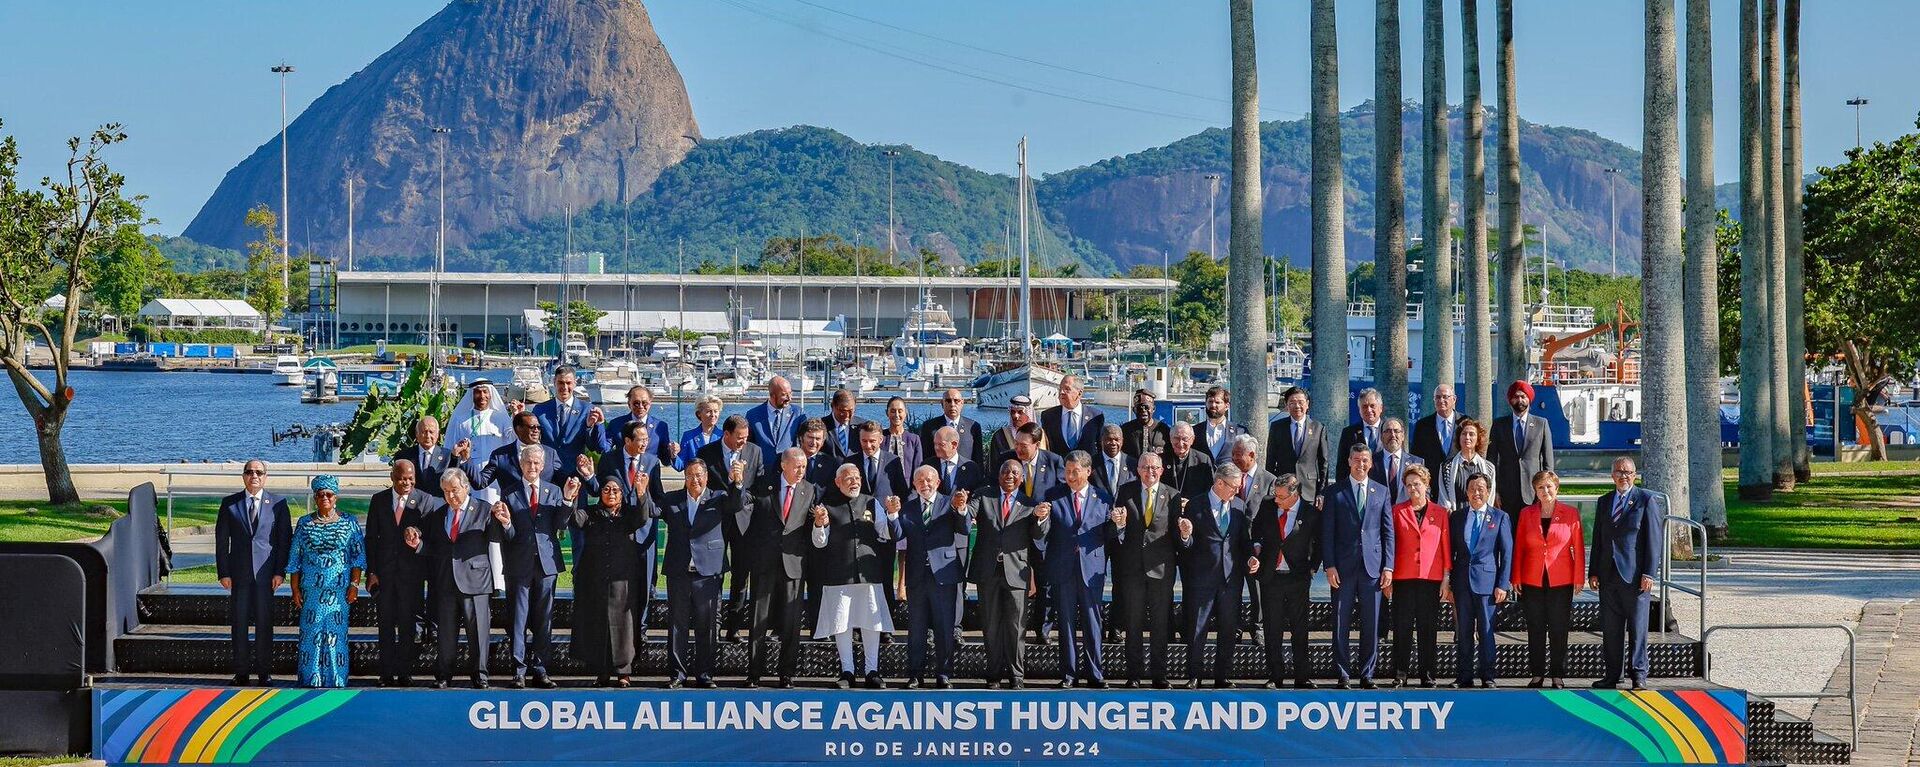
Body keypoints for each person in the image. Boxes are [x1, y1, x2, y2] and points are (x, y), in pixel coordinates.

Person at [812, 464, 903, 688]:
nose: (854, 481)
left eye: (856, 477)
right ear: (838, 482)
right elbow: (819, 542)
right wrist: (819, 524)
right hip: (838, 575)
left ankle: (872, 670)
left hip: (868, 574)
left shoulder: (872, 502)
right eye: (848, 478)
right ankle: (847, 671)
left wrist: (892, 514)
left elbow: (886, 533)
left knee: (871, 622)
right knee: (841, 623)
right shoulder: (827, 506)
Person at [417, 468, 509, 688]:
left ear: (466, 487)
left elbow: (497, 537)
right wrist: (418, 545)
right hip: (446, 582)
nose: (451, 496)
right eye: (447, 492)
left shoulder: (484, 510)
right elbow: (434, 547)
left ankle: (480, 675)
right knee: (446, 634)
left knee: (478, 633)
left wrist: (503, 521)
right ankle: (444, 675)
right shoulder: (439, 514)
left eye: (455, 490)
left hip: (476, 581)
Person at [737, 449, 819, 688]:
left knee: (792, 623)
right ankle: (754, 673)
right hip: (765, 562)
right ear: (784, 465)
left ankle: (786, 673)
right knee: (758, 619)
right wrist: (738, 483)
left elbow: (810, 527)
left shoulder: (809, 490)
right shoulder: (763, 485)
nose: (801, 471)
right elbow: (744, 508)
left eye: (804, 467)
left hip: (794, 564)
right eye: (797, 466)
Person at [965, 460, 1049, 689]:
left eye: (1014, 472)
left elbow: (1038, 536)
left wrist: (1041, 518)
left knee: (1016, 627)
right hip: (988, 572)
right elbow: (965, 517)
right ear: (998, 474)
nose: (1009, 475)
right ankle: (993, 675)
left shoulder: (1030, 504)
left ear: (1021, 478)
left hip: (1017, 573)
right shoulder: (984, 496)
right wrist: (961, 507)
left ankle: (1016, 676)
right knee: (990, 626)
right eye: (1005, 470)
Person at [1041, 451, 1122, 688]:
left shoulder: (1104, 498)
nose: (1070, 476)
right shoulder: (1053, 496)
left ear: (1088, 471)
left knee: (1092, 623)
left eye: (1076, 471)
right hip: (1062, 567)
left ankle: (1095, 674)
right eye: (1067, 471)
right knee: (1065, 623)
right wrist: (1040, 520)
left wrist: (1119, 525)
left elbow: (1108, 536)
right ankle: (1069, 674)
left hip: (1091, 568)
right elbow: (1043, 533)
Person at [499, 446, 576, 689]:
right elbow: (508, 535)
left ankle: (541, 669)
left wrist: (567, 499)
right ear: (521, 465)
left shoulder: (554, 491)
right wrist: (506, 523)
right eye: (528, 463)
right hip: (519, 564)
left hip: (546, 563)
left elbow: (561, 523)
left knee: (544, 619)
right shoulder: (509, 493)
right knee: (518, 619)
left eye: (536, 464)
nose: (532, 467)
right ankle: (519, 670)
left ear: (542, 466)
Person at [1323, 444, 1394, 688]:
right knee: (1341, 622)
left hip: (1372, 568)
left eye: (1365, 460)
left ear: (1371, 463)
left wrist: (1388, 567)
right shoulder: (1334, 492)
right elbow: (1327, 532)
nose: (1360, 464)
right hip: (1342, 568)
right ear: (1349, 462)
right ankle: (1343, 673)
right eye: (1356, 459)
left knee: (1371, 622)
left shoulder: (1381, 491)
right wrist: (1329, 565)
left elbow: (1388, 532)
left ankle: (1367, 673)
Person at [589, 419, 665, 648]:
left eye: (646, 439)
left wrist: (650, 509)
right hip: (617, 536)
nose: (645, 443)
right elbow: (598, 491)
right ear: (627, 440)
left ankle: (640, 630)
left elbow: (658, 497)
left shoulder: (652, 462)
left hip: (644, 534)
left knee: (644, 585)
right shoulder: (610, 459)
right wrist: (588, 476)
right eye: (640, 439)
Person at [660, 461, 736, 689]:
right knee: (677, 625)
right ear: (684, 477)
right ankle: (678, 674)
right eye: (690, 475)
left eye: (700, 475)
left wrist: (737, 483)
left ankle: (705, 673)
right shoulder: (672, 499)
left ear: (706, 477)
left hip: (708, 572)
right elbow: (652, 511)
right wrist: (642, 493)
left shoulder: (719, 497)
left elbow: (737, 503)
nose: (695, 480)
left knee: (708, 625)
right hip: (679, 571)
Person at [215, 459, 291, 687]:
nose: (254, 476)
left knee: (264, 623)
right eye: (249, 472)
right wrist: (223, 573)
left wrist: (280, 572)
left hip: (267, 577)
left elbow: (283, 541)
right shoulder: (230, 504)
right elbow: (221, 543)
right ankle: (241, 672)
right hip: (238, 576)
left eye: (259, 472)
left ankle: (264, 671)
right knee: (238, 624)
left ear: (265, 476)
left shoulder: (278, 503)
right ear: (243, 476)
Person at [1178, 464, 1254, 688]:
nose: (1236, 491)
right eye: (1233, 487)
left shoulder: (1239, 506)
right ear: (1219, 483)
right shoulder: (1196, 504)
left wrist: (1251, 557)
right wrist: (1185, 535)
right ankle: (1194, 675)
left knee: (1229, 629)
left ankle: (1223, 676)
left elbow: (1244, 541)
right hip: (1202, 579)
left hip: (1231, 579)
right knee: (1197, 629)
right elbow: (1188, 545)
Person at [286, 475, 364, 689]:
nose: (325, 498)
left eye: (329, 494)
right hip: (311, 590)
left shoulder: (349, 522)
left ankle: (336, 679)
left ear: (336, 497)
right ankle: (311, 679)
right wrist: (294, 588)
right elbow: (295, 557)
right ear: (315, 497)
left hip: (339, 591)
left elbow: (357, 557)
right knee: (311, 635)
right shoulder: (304, 523)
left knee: (335, 636)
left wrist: (354, 585)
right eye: (320, 495)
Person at [1590, 457, 1661, 690]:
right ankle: (1613, 675)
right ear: (1612, 475)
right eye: (1619, 472)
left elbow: (1653, 540)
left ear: (1635, 475)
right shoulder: (1604, 501)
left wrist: (1649, 573)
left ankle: (1638, 674)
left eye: (1628, 472)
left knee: (1637, 628)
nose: (1624, 476)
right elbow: (1599, 539)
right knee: (1611, 629)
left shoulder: (1646, 500)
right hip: (1608, 574)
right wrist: (1593, 571)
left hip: (1635, 576)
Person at [1111, 452, 1179, 688]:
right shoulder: (1125, 491)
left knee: (1160, 625)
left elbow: (1176, 536)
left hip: (1161, 570)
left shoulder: (1172, 495)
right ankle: (1134, 675)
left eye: (1155, 468)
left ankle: (1159, 675)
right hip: (1133, 570)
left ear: (1162, 470)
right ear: (1137, 469)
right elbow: (1116, 532)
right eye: (1145, 467)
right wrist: (1119, 525)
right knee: (1133, 624)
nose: (1150, 471)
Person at [573, 479, 650, 687]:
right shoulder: (590, 513)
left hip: (622, 580)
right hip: (595, 581)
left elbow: (643, 518)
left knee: (624, 626)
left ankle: (623, 672)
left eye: (616, 490)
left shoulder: (628, 514)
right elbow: (574, 520)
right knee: (598, 625)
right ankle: (602, 672)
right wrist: (571, 496)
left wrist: (642, 494)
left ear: (622, 494)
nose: (611, 493)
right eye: (606, 489)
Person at [898, 465, 969, 688]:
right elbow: (897, 534)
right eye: (920, 481)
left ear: (937, 482)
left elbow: (964, 529)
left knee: (944, 627)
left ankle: (944, 673)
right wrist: (892, 515)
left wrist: (962, 509)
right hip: (917, 576)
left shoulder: (950, 502)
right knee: (916, 628)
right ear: (914, 484)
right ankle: (915, 674)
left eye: (929, 480)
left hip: (944, 573)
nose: (925, 484)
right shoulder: (907, 508)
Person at [1514, 470, 1584, 689]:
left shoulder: (1571, 513)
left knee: (1558, 627)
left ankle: (1557, 674)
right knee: (1535, 627)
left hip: (1560, 579)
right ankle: (1536, 674)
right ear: (1535, 491)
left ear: (1557, 488)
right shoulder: (1526, 513)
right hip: (1531, 578)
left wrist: (1578, 577)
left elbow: (1578, 548)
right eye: (1540, 488)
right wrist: (1515, 575)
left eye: (1549, 487)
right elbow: (1519, 548)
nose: (1545, 491)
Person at [365, 460, 431, 686]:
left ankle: (404, 672)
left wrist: (418, 538)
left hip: (411, 577)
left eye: (411, 479)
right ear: (393, 477)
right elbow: (371, 538)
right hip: (384, 575)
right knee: (385, 625)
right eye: (403, 478)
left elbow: (429, 533)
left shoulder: (423, 500)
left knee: (407, 626)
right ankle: (386, 673)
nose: (407, 482)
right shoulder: (379, 500)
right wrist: (371, 572)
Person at [1251, 473, 1319, 688]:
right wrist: (1257, 549)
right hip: (1271, 577)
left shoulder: (1310, 513)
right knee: (1273, 629)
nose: (1277, 500)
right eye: (1275, 495)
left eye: (1281, 497)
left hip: (1297, 578)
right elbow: (1256, 531)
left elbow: (1319, 543)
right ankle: (1275, 676)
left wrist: (1312, 569)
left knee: (1300, 629)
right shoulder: (1268, 505)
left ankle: (1302, 676)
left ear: (1294, 494)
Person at [1447, 472, 1512, 688]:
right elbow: (1450, 552)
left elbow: (1506, 553)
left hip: (1488, 584)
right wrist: (1448, 581)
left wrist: (1503, 584)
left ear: (1488, 491)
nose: (1476, 492)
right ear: (1466, 492)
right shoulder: (1456, 517)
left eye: (1481, 488)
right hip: (1462, 583)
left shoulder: (1500, 517)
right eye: (1472, 488)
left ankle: (1488, 676)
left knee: (1486, 632)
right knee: (1463, 632)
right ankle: (1464, 676)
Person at [1387, 465, 1449, 688]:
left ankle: (1428, 674)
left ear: (1427, 485)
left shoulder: (1440, 513)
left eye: (1417, 484)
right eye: (1409, 484)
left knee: (1428, 628)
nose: (1413, 488)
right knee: (1402, 628)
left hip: (1430, 579)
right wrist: (1389, 575)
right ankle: (1400, 673)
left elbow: (1445, 547)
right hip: (1403, 578)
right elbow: (1390, 545)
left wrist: (1446, 579)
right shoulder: (1396, 511)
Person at [1226, 435, 1273, 645]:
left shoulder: (1269, 480)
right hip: (1233, 542)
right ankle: (1235, 627)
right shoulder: (1228, 476)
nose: (1234, 458)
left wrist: (1262, 543)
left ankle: (1258, 628)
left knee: (1258, 590)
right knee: (1233, 587)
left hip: (1257, 544)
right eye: (1233, 454)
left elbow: (1271, 516)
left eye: (1238, 454)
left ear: (1252, 455)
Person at [1489, 381, 1555, 522]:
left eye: (1523, 397)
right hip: (1506, 492)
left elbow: (1548, 463)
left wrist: (1545, 490)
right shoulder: (1499, 425)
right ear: (1510, 400)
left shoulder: (1541, 424)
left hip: (1533, 492)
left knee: (1532, 533)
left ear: (1529, 399)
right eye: (1516, 397)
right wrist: (1494, 491)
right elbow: (1491, 461)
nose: (1520, 400)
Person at [532, 366, 605, 472]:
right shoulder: (540, 410)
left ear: (575, 383)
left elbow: (596, 447)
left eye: (568, 383)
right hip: (547, 473)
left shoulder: (587, 409)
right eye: (561, 382)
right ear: (554, 382)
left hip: (574, 473)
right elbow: (531, 439)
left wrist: (592, 426)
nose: (565, 387)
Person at [1266, 386, 1329, 504]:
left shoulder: (1318, 428)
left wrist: (1322, 492)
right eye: (1292, 402)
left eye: (1300, 402)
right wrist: (1272, 486)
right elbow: (1270, 459)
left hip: (1309, 489)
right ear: (1287, 405)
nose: (1297, 406)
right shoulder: (1277, 427)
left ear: (1307, 404)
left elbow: (1324, 463)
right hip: (1283, 489)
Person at [601, 385, 676, 466]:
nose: (641, 406)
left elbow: (666, 461)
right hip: (623, 474)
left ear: (650, 403)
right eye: (636, 403)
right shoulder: (616, 424)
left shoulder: (661, 426)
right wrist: (599, 424)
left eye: (644, 403)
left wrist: (673, 453)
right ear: (629, 404)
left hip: (650, 475)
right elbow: (605, 449)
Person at [1437, 418, 1496, 512]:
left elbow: (1490, 495)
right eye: (1464, 434)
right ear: (1459, 438)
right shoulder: (1446, 467)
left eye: (1471, 434)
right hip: (1455, 519)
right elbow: (1443, 498)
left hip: (1481, 518)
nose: (1467, 437)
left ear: (1478, 440)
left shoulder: (1489, 468)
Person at [919, 388, 985, 467]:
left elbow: (978, 459)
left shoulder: (973, 427)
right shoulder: (929, 427)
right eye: (948, 401)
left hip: (965, 475)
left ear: (962, 403)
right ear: (942, 403)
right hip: (938, 476)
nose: (952, 404)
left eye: (956, 401)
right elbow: (925, 456)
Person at [1041, 375, 1103, 456]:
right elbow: (1045, 448)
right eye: (1060, 388)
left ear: (1080, 393)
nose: (1061, 392)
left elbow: (1100, 447)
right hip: (1058, 467)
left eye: (1067, 389)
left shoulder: (1095, 416)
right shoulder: (1048, 416)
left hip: (1086, 466)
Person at [1335, 389, 1388, 483]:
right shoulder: (1349, 433)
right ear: (1359, 410)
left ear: (1381, 408)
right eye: (1364, 406)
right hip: (1357, 487)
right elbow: (1342, 465)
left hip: (1385, 488)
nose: (1369, 410)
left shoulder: (1390, 431)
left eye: (1372, 406)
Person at [745, 375, 805, 458]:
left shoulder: (798, 413)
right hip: (763, 468)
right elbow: (748, 446)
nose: (789, 398)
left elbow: (804, 440)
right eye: (784, 395)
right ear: (772, 395)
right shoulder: (753, 415)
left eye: (790, 393)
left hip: (789, 468)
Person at [394, 416, 453, 499]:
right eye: (424, 432)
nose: (427, 436)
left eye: (431, 432)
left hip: (438, 507)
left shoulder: (448, 456)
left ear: (437, 434)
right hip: (411, 506)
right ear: (417, 434)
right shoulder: (403, 456)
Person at [1371, 418, 1425, 507]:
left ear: (1403, 436)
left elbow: (1424, 491)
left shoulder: (1416, 462)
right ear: (1381, 436)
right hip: (1379, 516)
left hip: (1408, 515)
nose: (1392, 435)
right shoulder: (1371, 462)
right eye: (1388, 431)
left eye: (1396, 431)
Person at [1411, 384, 1464, 471]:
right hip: (1431, 481)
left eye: (1445, 397)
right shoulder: (1422, 425)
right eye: (1437, 397)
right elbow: (1416, 456)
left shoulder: (1464, 423)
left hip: (1459, 479)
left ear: (1454, 399)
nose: (1441, 400)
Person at [1194, 385, 1248, 464]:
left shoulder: (1240, 431)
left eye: (1217, 402)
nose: (1213, 405)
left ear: (1227, 406)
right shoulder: (1195, 431)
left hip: (1229, 475)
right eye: (1210, 401)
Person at [928, 426, 986, 496]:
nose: (936, 448)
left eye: (941, 444)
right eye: (935, 444)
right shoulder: (928, 465)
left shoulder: (971, 467)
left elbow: (977, 495)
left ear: (954, 445)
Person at [1120, 388, 1172, 466]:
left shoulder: (1164, 430)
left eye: (1147, 408)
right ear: (1134, 410)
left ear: (1153, 409)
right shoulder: (1125, 430)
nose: (1143, 411)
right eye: (1139, 408)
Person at [1163, 422, 1214, 501]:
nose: (1180, 443)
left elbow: (1209, 489)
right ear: (1170, 439)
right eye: (1176, 438)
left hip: (1195, 508)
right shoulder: (1161, 459)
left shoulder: (1203, 460)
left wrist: (1192, 503)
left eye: (1185, 439)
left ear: (1192, 440)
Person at [677, 395, 725, 470]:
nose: (713, 415)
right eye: (708, 411)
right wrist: (673, 455)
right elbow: (680, 466)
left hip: (717, 481)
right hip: (695, 480)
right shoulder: (689, 436)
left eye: (716, 411)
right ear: (699, 413)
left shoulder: (723, 436)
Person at [988, 395, 1038, 461]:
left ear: (1029, 414)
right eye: (1013, 412)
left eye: (1020, 412)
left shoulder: (1041, 435)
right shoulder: (1000, 436)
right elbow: (994, 466)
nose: (1015, 416)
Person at [881, 396, 924, 472]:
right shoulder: (880, 437)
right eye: (893, 411)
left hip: (907, 483)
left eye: (900, 411)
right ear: (887, 413)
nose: (896, 415)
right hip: (884, 483)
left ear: (905, 413)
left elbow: (918, 467)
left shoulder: (913, 439)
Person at [1090, 424, 1135, 497]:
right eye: (1109, 439)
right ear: (1101, 440)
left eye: (1117, 440)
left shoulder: (1132, 464)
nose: (1113, 443)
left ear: (1122, 441)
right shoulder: (1091, 463)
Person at [821, 389, 866, 459]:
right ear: (833, 406)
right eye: (842, 411)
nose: (847, 415)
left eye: (850, 411)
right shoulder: (821, 425)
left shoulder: (862, 425)